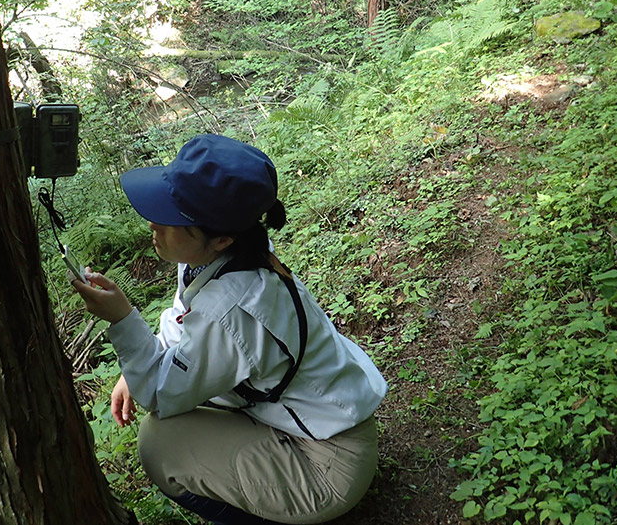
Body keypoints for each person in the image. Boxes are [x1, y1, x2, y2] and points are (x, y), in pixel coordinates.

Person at [70, 134, 387, 524]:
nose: (153, 222)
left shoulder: (233, 306)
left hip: (326, 463)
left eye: (171, 219)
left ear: (220, 238)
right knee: (182, 415)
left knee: (160, 445)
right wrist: (134, 366)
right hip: (317, 420)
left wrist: (123, 323)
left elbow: (159, 392)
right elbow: (185, 315)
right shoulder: (224, 254)